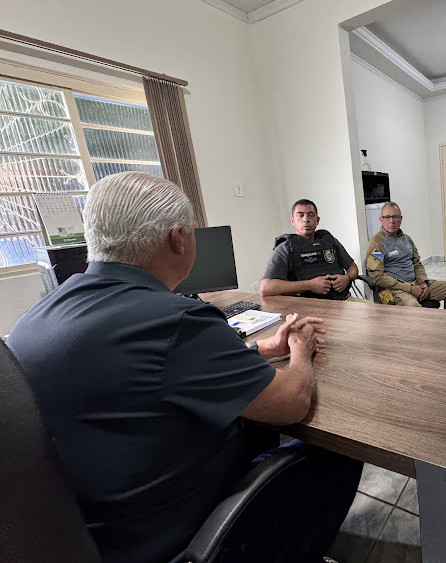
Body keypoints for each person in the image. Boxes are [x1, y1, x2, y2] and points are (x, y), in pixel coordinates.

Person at [6, 173, 361, 563]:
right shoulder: (177, 320)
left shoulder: (32, 321)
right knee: (338, 451)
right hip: (186, 540)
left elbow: (156, 371)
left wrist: (262, 348)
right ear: (178, 238)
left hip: (94, 536)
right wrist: (299, 349)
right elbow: (291, 401)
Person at [260, 199, 369, 303]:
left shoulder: (329, 241)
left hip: (343, 301)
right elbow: (265, 288)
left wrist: (347, 278)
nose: (306, 219)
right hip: (308, 308)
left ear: (317, 220)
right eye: (300, 215)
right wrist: (310, 285)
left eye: (311, 215)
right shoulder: (286, 248)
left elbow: (352, 267)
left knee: (382, 316)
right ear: (292, 221)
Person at [366, 201, 446, 310]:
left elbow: (417, 264)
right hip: (396, 290)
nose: (391, 221)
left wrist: (424, 282)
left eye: (395, 217)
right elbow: (377, 276)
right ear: (381, 219)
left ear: (400, 219)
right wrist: (409, 288)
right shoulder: (376, 243)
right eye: (387, 217)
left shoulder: (407, 240)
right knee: (414, 307)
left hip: (416, 284)